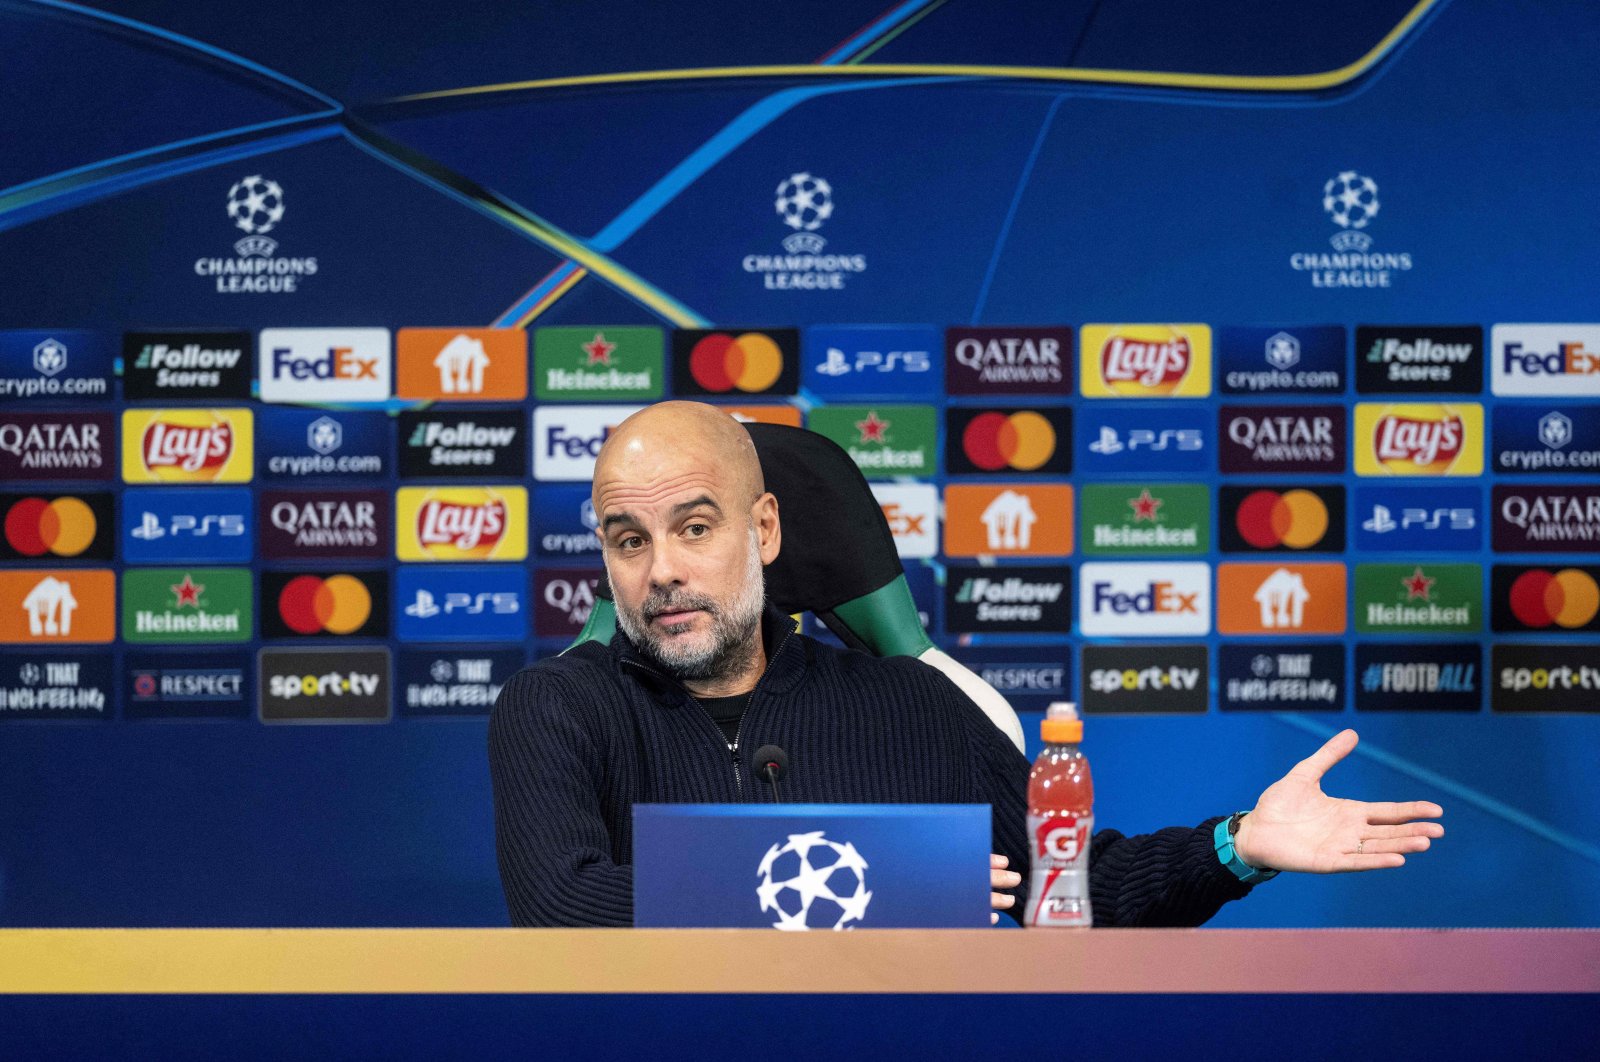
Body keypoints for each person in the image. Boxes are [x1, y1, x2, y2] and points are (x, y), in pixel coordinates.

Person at [489, 401, 1445, 927]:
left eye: (694, 528)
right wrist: (888, 877)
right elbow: (562, 901)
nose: (661, 570)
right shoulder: (559, 708)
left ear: (766, 528)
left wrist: (1237, 844)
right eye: (627, 539)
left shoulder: (915, 703)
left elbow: (1061, 892)